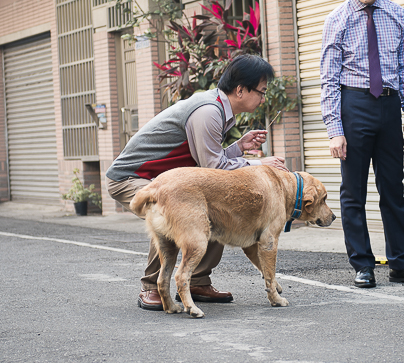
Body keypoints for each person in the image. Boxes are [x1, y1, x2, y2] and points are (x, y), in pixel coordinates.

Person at [106, 53, 289, 310]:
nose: (263, 98)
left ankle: (197, 281)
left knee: (216, 206)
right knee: (173, 210)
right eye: (261, 92)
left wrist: (238, 147)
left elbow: (210, 168)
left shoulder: (217, 109)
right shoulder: (208, 111)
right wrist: (261, 163)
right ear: (240, 89)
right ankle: (150, 287)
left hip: (160, 180)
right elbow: (213, 167)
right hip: (132, 178)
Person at [319, 0, 404, 289]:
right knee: (353, 192)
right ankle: (363, 264)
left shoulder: (398, 15)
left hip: (388, 105)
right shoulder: (336, 19)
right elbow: (328, 78)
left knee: (393, 190)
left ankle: (402, 261)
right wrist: (334, 129)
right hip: (352, 105)